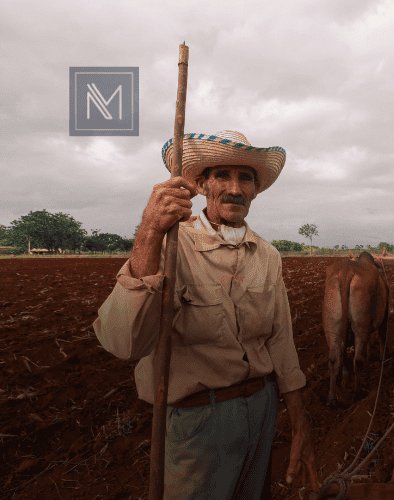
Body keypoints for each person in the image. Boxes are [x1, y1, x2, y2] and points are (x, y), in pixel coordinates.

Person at [93, 130, 319, 499]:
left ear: (255, 190)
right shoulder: (171, 244)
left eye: (245, 178)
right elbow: (123, 343)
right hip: (197, 421)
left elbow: (280, 341)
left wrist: (299, 422)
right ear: (201, 185)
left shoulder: (267, 255)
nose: (235, 189)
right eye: (222, 176)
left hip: (262, 409)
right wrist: (150, 228)